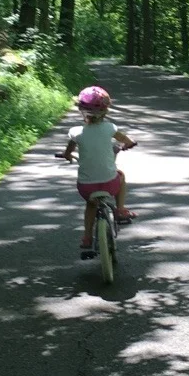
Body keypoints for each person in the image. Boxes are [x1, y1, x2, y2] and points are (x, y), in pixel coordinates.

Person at [58, 85, 136, 257]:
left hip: (86, 187)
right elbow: (126, 140)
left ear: (81, 110)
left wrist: (67, 156)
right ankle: (120, 209)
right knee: (120, 175)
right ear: (105, 110)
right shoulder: (110, 128)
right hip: (110, 184)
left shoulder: (75, 132)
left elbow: (68, 152)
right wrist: (128, 144)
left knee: (90, 205)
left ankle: (87, 237)